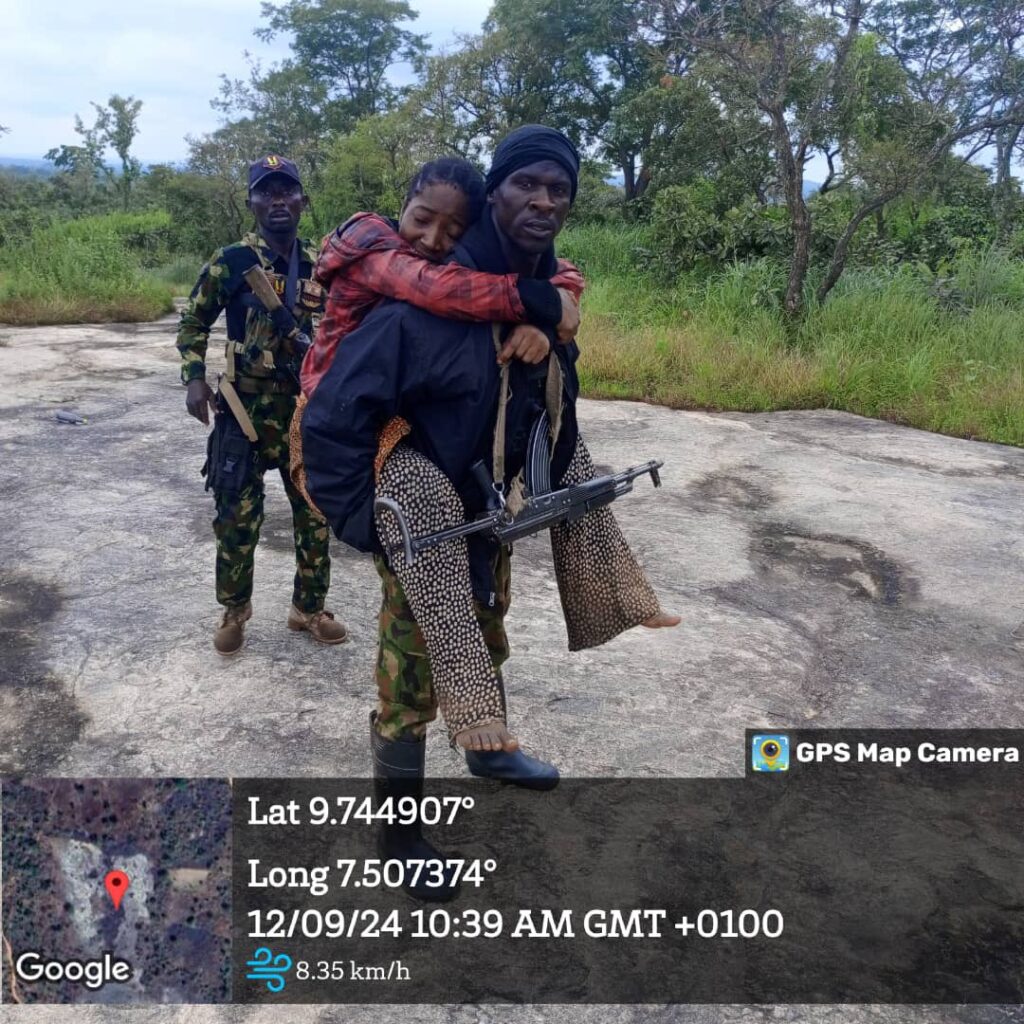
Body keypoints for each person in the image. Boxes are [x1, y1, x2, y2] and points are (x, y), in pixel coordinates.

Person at [303, 126, 677, 793]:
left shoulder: (538, 301)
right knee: (412, 675)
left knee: (487, 629)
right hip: (421, 514)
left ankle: (489, 752)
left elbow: (547, 399)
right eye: (524, 185)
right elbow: (331, 422)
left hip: (489, 507)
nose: (543, 201)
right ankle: (401, 835)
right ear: (493, 197)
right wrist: (368, 523)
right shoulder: (413, 311)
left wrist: (547, 328)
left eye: (558, 189)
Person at [176, 155, 347, 656]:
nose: (277, 200)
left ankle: (308, 609)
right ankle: (234, 611)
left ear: (302, 201)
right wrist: (194, 379)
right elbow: (193, 323)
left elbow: (347, 331)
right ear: (250, 202)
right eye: (265, 192)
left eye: (287, 190)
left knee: (315, 514)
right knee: (235, 517)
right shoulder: (232, 261)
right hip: (243, 411)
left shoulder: (323, 266)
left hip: (304, 412)